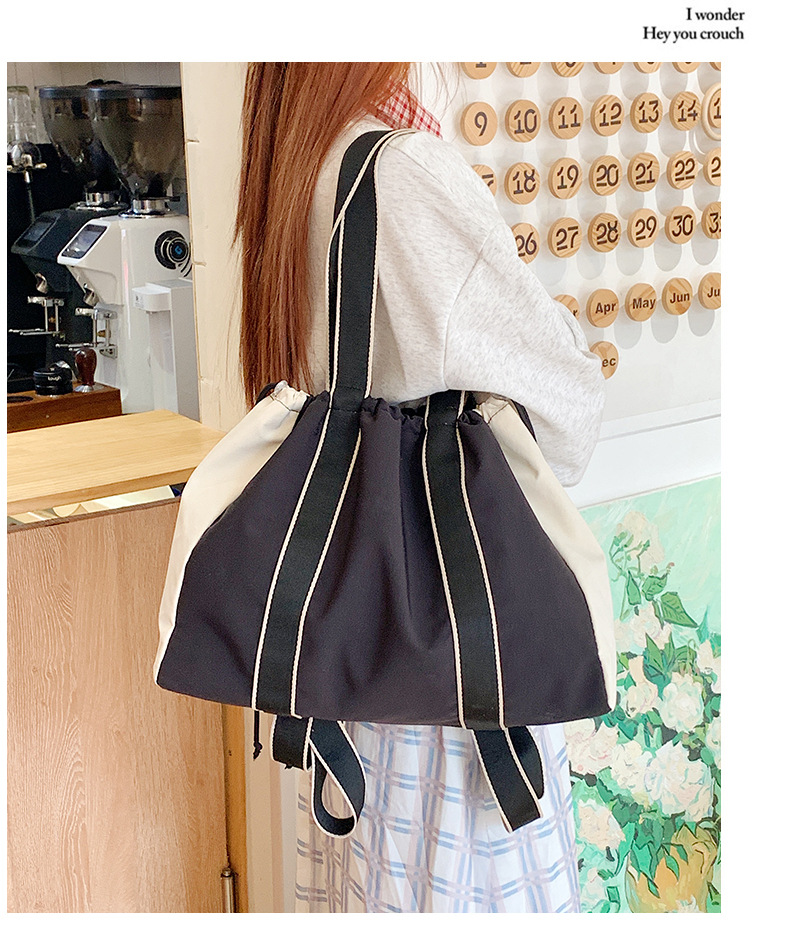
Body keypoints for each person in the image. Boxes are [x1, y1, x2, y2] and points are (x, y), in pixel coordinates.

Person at [235, 62, 605, 914]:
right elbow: (571, 418)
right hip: (452, 695)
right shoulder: (404, 171)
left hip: (353, 688)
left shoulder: (296, 165)